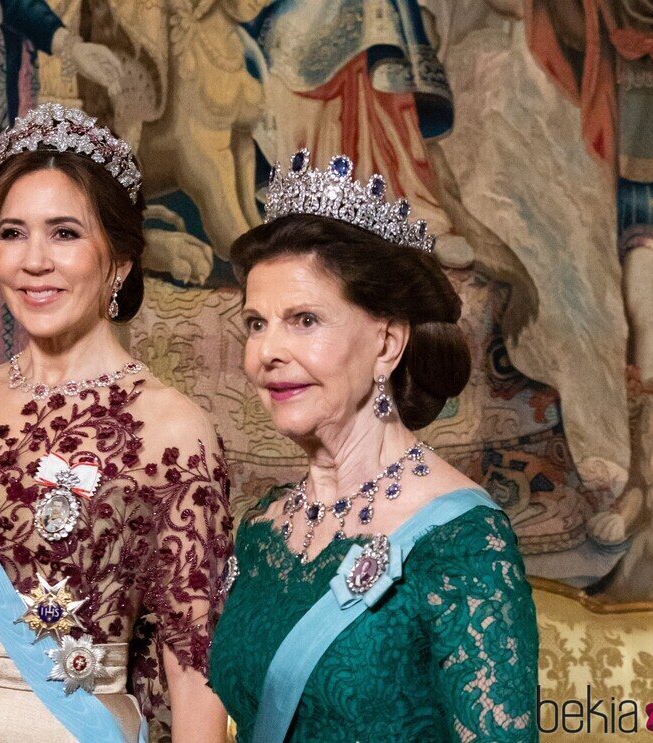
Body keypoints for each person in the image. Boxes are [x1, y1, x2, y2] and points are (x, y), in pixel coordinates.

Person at [0, 103, 232, 743]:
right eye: (13, 233)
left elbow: (191, 663)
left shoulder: (172, 428)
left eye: (64, 232)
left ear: (118, 260)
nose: (33, 260)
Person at [209, 150, 539, 742]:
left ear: (386, 344)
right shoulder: (262, 529)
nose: (267, 353)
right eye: (257, 323)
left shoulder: (462, 540)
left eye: (304, 319)